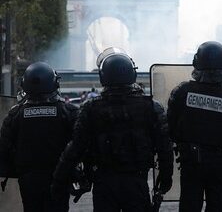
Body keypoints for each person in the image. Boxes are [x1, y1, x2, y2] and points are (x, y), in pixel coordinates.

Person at [51, 47, 174, 212]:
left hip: (104, 183)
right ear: (132, 74)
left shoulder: (90, 108)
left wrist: (60, 178)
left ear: (103, 77)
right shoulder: (151, 107)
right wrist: (166, 177)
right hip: (136, 181)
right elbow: (164, 147)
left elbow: (76, 147)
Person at [167, 41, 222, 212]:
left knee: (189, 204)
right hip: (220, 162)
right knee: (218, 204)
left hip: (191, 161)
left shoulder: (182, 92)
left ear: (197, 63)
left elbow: (171, 127)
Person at [0, 62, 78, 212]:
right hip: (59, 176)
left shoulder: (15, 113)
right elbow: (80, 143)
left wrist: (11, 169)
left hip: (28, 178)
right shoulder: (68, 111)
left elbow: (4, 146)